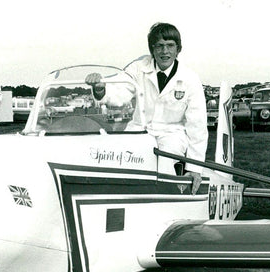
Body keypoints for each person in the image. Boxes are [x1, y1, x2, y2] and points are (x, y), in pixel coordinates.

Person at [87, 22, 207, 194]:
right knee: (119, 157)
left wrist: (195, 168)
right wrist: (100, 88)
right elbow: (119, 90)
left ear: (178, 49)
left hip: (172, 134)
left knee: (165, 159)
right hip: (140, 130)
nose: (164, 52)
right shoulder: (138, 68)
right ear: (152, 49)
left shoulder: (190, 79)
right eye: (159, 46)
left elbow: (197, 126)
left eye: (170, 46)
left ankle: (164, 201)